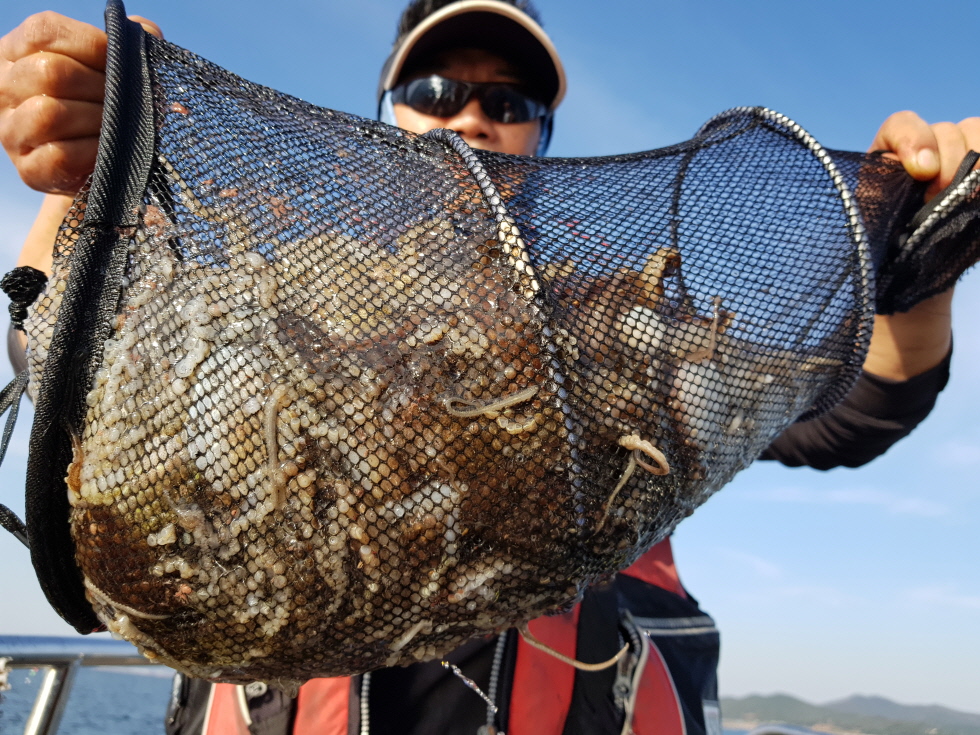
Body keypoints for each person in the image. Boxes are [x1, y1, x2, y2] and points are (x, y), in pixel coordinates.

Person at [0, 1, 975, 733]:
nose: (469, 118)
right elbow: (68, 373)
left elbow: (851, 411)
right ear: (385, 111)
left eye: (505, 101)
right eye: (435, 92)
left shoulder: (620, 329)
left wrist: (918, 274)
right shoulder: (264, 293)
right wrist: (85, 182)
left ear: (538, 136)